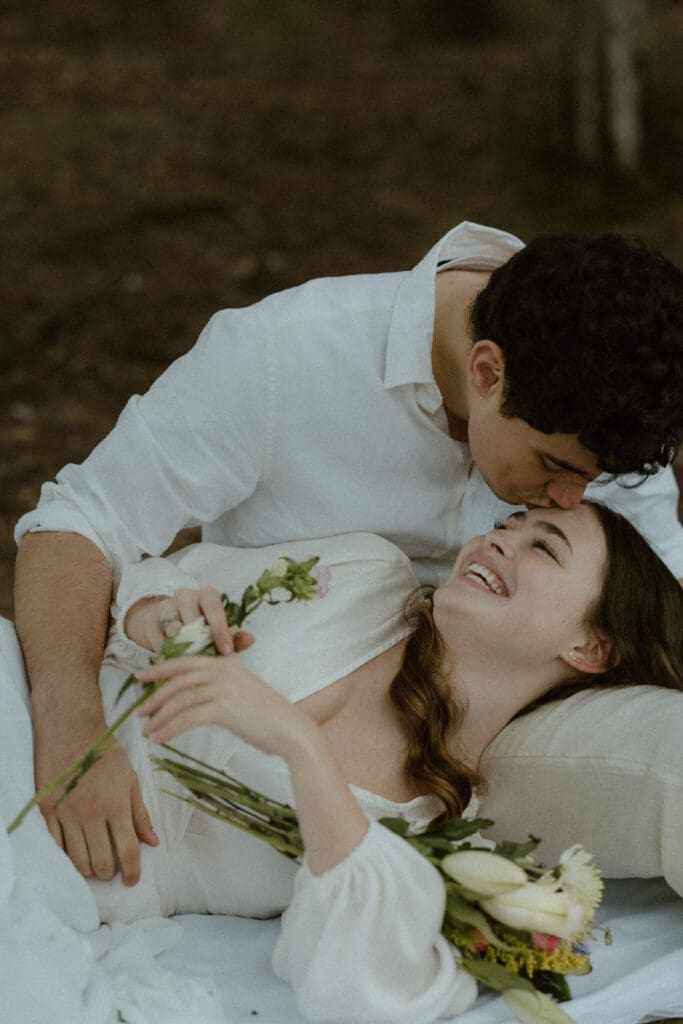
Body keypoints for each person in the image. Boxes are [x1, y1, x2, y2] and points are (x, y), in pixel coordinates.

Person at [13, 221, 683, 888]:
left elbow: (662, 606)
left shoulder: (605, 411)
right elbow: (80, 522)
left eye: (593, 482)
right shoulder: (280, 355)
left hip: (454, 762)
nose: (567, 500)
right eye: (552, 466)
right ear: (487, 370)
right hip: (236, 693)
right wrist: (75, 733)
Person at [79, 501, 682, 1023]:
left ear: (591, 647)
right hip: (45, 716)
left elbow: (351, 981)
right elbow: (143, 583)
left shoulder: (441, 831)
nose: (499, 538)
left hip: (81, 877)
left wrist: (300, 746)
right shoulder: (366, 574)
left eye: (543, 549)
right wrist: (160, 620)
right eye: (509, 523)